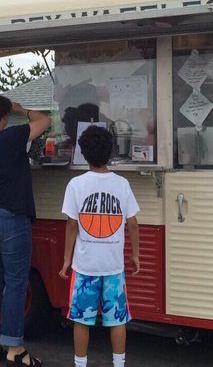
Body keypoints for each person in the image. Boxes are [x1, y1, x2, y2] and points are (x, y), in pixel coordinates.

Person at [0, 94, 51, 366]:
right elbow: (45, 120)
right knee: (16, 282)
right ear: (4, 116)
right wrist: (21, 109)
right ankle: (14, 348)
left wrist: (9, 109)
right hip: (11, 219)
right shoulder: (12, 137)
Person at [59, 125, 141, 367]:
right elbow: (133, 223)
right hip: (113, 265)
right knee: (117, 319)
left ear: (83, 153)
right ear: (112, 151)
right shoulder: (122, 184)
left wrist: (66, 259)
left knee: (82, 320)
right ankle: (119, 363)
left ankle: (80, 364)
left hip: (84, 265)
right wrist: (135, 255)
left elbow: (72, 225)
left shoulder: (76, 184)